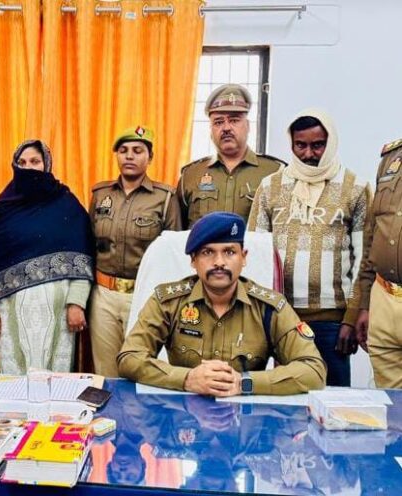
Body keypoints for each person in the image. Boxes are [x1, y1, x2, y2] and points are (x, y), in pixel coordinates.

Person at [118, 211, 326, 395]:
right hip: (183, 415)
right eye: (208, 252)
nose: (219, 262)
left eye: (229, 252)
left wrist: (243, 383)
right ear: (193, 260)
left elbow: (313, 370)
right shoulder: (168, 302)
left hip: (246, 419)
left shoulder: (269, 308)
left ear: (243, 257)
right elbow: (130, 358)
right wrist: (187, 379)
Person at [248, 110, 371, 387]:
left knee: (333, 399)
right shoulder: (270, 186)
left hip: (333, 321)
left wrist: (351, 318)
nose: (308, 154)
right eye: (300, 145)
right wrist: (260, 316)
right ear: (291, 144)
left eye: (318, 145)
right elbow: (255, 254)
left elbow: (364, 259)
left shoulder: (355, 188)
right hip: (280, 316)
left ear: (331, 142)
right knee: (284, 395)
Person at [0, 139, 94, 374]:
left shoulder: (66, 204)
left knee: (56, 380)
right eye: (22, 163)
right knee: (14, 380)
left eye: (35, 161)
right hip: (11, 314)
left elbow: (82, 255)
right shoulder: (3, 208)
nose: (28, 168)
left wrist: (76, 303)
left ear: (46, 164)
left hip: (59, 314)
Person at [88, 125, 181, 377]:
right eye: (123, 150)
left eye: (138, 151)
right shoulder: (101, 194)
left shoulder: (165, 198)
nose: (129, 156)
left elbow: (173, 254)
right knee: (106, 371)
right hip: (104, 296)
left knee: (141, 368)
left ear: (150, 158)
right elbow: (89, 242)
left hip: (144, 295)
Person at [177, 84, 285, 227]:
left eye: (234, 120)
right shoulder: (190, 175)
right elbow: (178, 232)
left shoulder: (275, 172)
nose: (226, 128)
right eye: (218, 122)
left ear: (248, 126)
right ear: (210, 130)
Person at [356, 136, 402, 388]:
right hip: (383, 296)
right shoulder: (391, 158)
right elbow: (373, 236)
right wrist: (365, 303)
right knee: (389, 401)